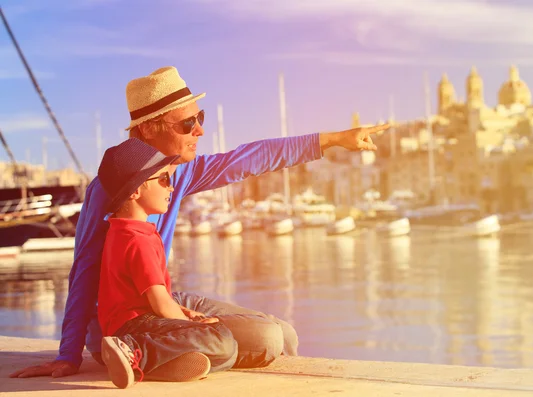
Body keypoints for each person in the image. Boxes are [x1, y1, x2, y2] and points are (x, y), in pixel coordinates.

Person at [9, 66, 389, 379]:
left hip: (163, 304)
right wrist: (68, 354)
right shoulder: (109, 191)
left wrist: (336, 138)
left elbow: (252, 157)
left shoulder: (182, 174)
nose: (199, 131)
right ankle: (142, 354)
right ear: (148, 129)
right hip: (122, 324)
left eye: (200, 118)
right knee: (267, 340)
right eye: (187, 123)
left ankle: (178, 356)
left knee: (284, 334)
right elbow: (85, 271)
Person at [97, 138, 236, 389]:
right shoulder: (137, 239)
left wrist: (184, 313)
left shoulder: (121, 231)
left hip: (131, 324)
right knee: (222, 339)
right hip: (136, 328)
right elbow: (160, 304)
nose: (170, 188)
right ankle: (134, 350)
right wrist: (191, 325)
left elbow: (158, 302)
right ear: (136, 190)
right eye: (163, 179)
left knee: (225, 352)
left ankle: (143, 363)